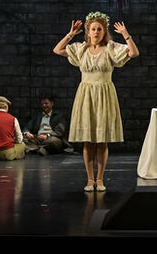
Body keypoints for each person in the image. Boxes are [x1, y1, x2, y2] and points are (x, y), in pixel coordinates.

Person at [53, 11, 138, 192]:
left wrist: (125, 34)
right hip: (86, 96)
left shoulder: (111, 48)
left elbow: (133, 52)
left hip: (104, 95)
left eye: (99, 29)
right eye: (93, 29)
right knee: (88, 141)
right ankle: (90, 179)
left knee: (102, 141)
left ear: (104, 31)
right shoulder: (81, 49)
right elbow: (58, 50)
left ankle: (100, 180)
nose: (96, 32)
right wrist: (70, 34)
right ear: (88, 31)